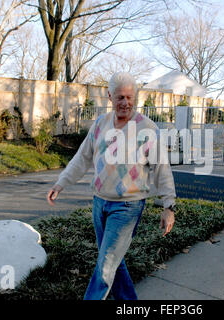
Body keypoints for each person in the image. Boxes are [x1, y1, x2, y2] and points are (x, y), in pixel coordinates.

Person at [46, 72, 176, 300]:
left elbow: (162, 169)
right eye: (120, 97)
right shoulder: (100, 124)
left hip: (128, 207)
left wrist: (168, 206)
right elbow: (82, 158)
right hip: (100, 203)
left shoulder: (147, 128)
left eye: (129, 97)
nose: (125, 103)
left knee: (106, 264)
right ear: (109, 97)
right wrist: (61, 182)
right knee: (114, 260)